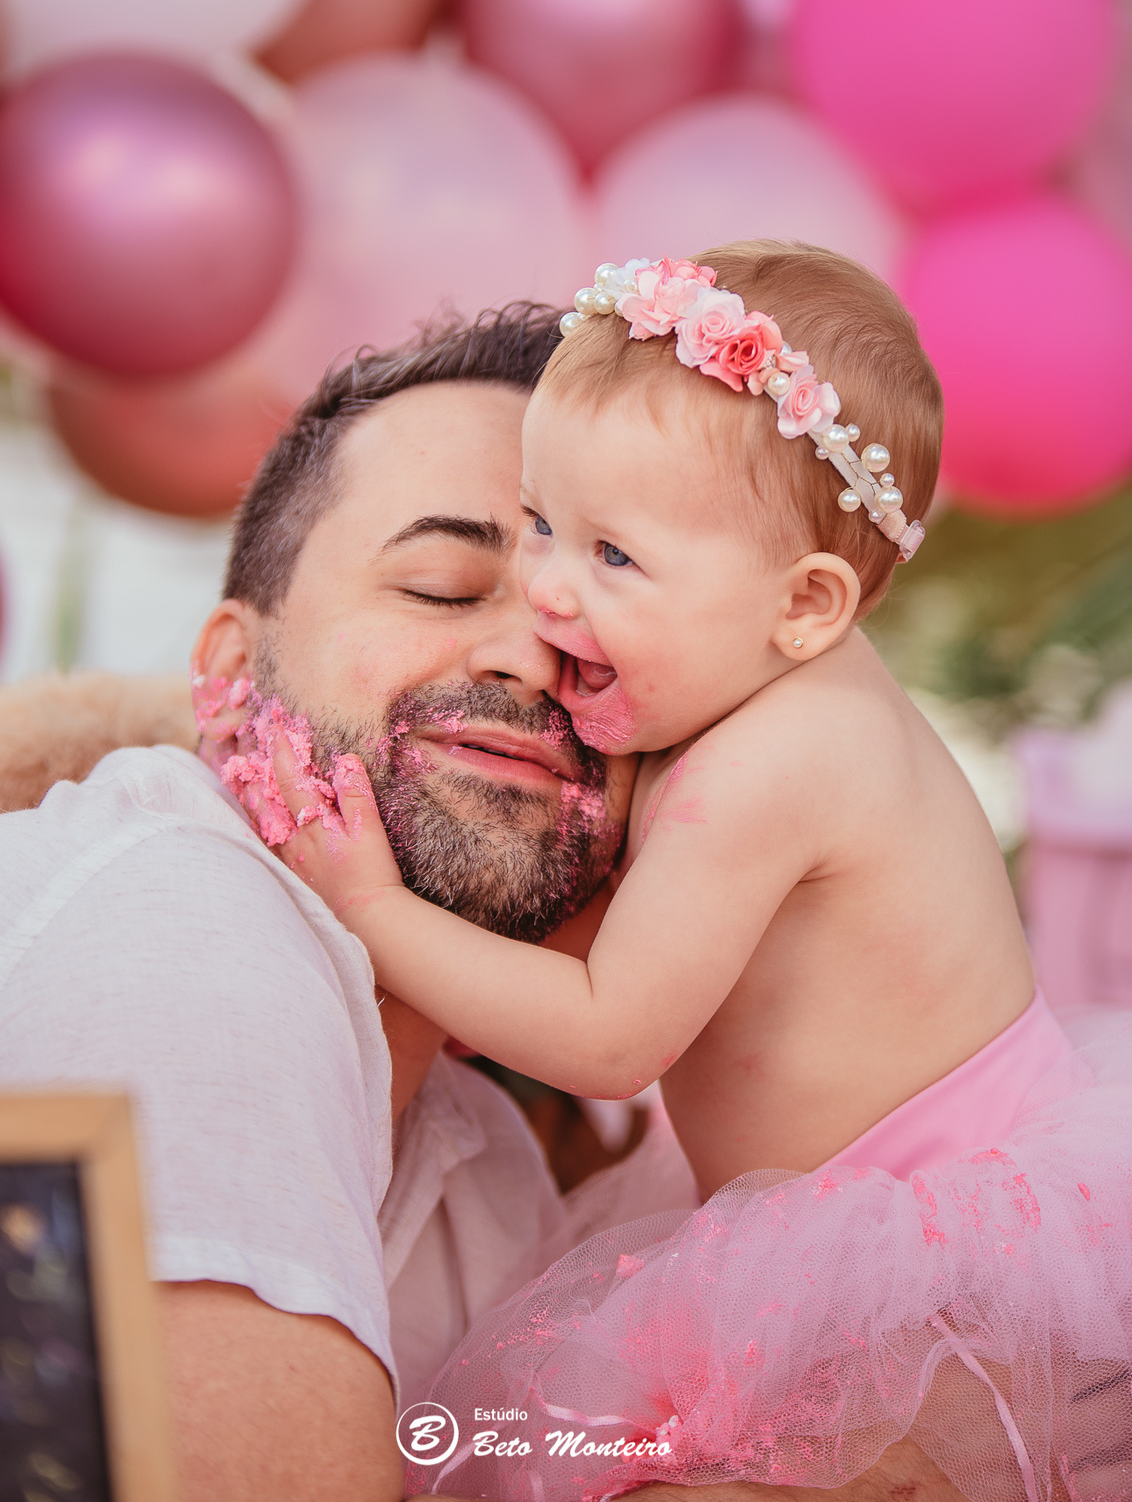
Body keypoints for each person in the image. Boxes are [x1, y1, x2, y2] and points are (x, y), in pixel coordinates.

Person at [0, 298, 1038, 1502]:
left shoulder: (488, 1166)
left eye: (605, 631)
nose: (531, 656)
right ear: (231, 673)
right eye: (445, 585)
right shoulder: (181, 927)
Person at [271, 246, 1132, 1502]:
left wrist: (373, 907)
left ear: (806, 604)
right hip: (822, 1209)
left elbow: (611, 1036)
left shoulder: (779, 761)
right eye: (544, 523)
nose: (546, 590)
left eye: (614, 558)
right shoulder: (726, 680)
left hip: (932, 1251)